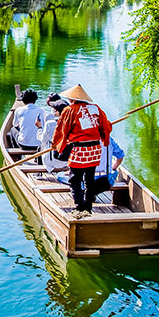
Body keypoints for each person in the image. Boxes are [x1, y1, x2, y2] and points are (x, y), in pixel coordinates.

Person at [52, 84, 112, 218]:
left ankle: (79, 207)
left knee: (74, 179)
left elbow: (61, 129)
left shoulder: (70, 110)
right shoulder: (96, 108)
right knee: (89, 179)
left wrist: (56, 144)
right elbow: (106, 126)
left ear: (72, 99)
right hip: (95, 149)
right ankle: (88, 208)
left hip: (80, 149)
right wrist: (104, 137)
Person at [41, 100, 69, 181]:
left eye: (55, 110)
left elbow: (43, 141)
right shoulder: (73, 123)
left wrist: (39, 128)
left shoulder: (50, 123)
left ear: (59, 112)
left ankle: (38, 172)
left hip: (52, 161)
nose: (53, 111)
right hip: (68, 162)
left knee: (42, 145)